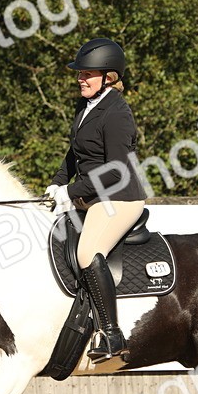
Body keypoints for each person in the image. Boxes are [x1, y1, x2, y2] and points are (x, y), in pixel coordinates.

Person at [45, 38, 146, 361]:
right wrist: (58, 182)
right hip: (91, 196)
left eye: (88, 74)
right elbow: (74, 153)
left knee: (88, 251)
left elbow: (116, 171)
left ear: (109, 77)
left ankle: (113, 336)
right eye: (80, 73)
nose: (80, 79)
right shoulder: (85, 106)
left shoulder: (117, 113)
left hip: (120, 198)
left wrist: (71, 192)